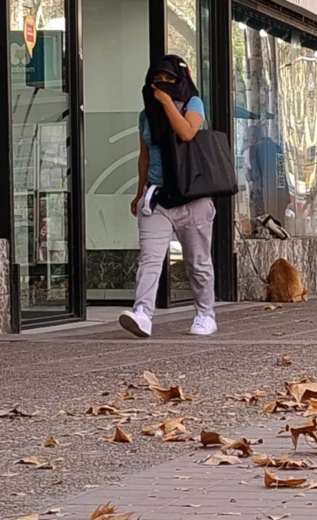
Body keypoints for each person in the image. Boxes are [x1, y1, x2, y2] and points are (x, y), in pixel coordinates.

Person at [119, 54, 216, 338]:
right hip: (158, 196)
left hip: (192, 196)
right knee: (150, 259)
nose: (161, 85)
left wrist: (165, 102)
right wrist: (139, 194)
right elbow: (144, 157)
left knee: (197, 262)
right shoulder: (145, 116)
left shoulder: (193, 104)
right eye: (156, 81)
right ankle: (142, 314)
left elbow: (186, 132)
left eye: (169, 80)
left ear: (181, 81)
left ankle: (205, 314)